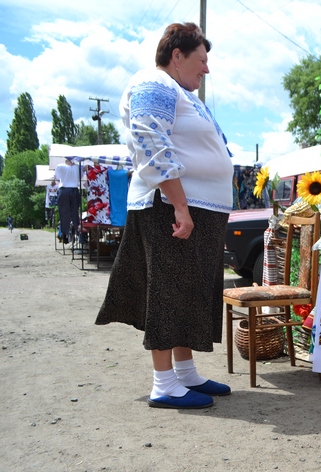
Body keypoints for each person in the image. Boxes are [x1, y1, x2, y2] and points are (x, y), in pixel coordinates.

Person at [96, 22, 234, 409]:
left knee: (188, 291)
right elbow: (149, 141)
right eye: (201, 60)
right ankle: (163, 383)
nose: (206, 69)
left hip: (194, 208)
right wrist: (179, 204)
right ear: (177, 55)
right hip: (168, 208)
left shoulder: (179, 91)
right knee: (169, 292)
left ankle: (185, 374)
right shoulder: (153, 84)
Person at [55, 158, 81, 243]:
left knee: (64, 213)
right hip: (74, 189)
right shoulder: (78, 167)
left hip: (64, 189)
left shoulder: (60, 166)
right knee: (74, 213)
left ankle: (64, 233)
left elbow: (57, 177)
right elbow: (82, 174)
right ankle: (77, 231)